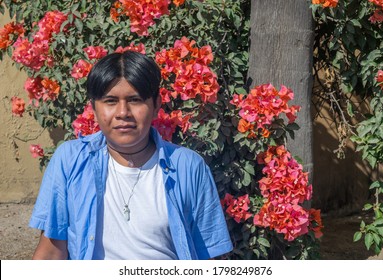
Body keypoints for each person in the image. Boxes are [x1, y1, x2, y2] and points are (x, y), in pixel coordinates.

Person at [29, 50, 233, 260]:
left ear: (156, 106)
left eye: (135, 100)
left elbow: (210, 256)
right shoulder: (70, 160)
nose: (123, 113)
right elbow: (52, 251)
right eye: (110, 101)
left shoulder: (188, 167)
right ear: (94, 108)